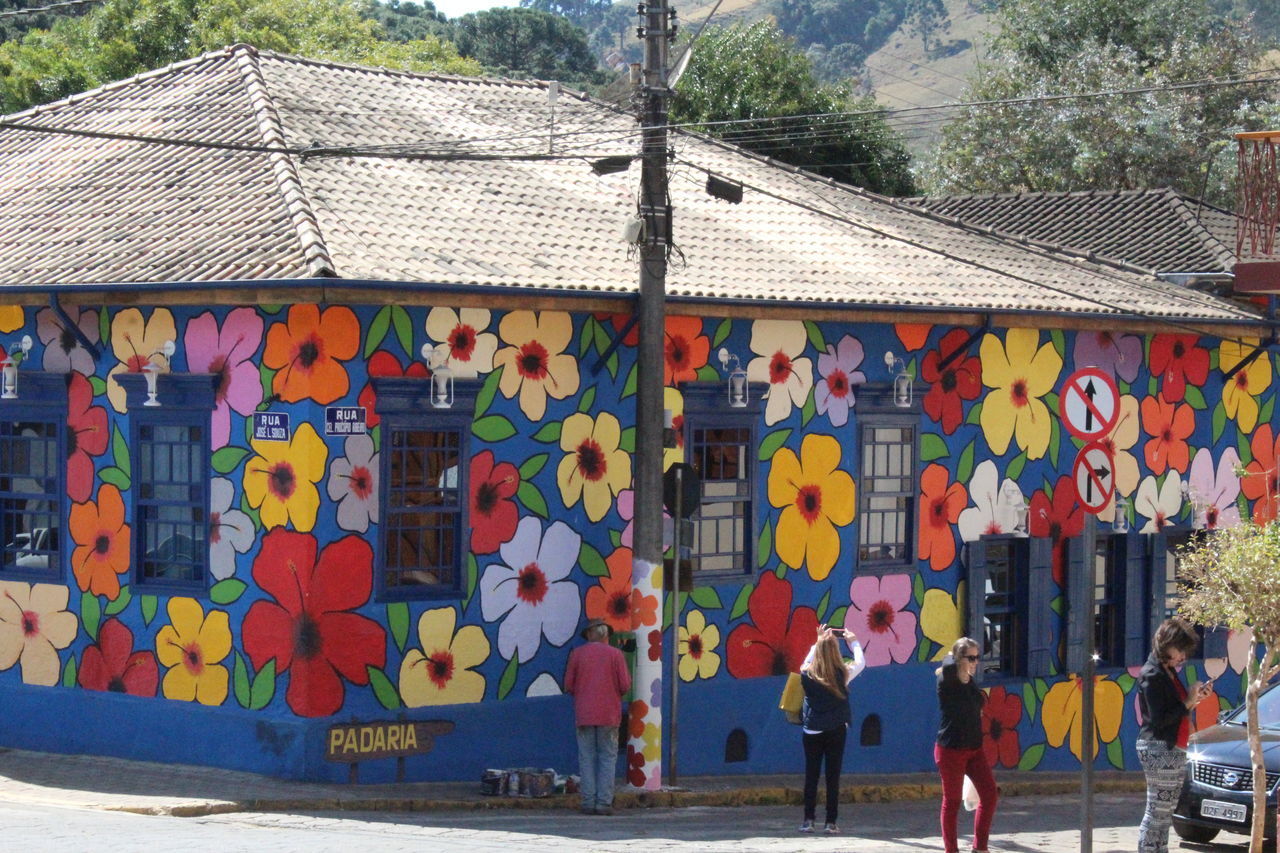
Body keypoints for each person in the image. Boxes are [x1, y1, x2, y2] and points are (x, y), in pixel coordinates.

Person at [1136, 617, 1211, 853]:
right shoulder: (1152, 674)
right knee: (1157, 810)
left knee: (1166, 811)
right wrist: (1189, 700)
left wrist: (1194, 698)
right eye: (1180, 650)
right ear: (1166, 644)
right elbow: (1159, 720)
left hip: (1174, 747)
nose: (1183, 657)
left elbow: (1177, 709)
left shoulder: (1167, 671)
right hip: (1160, 748)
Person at [797, 622, 865, 835]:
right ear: (835, 651)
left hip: (813, 729)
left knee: (812, 775)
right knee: (832, 776)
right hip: (836, 728)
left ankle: (808, 820)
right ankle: (831, 822)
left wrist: (817, 642)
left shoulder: (807, 674)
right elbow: (861, 662)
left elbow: (805, 662)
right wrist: (853, 641)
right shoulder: (842, 674)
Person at [935, 636, 998, 853]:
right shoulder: (947, 681)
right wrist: (955, 657)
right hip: (950, 749)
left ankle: (980, 847)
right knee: (952, 802)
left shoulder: (970, 681)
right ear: (959, 659)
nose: (975, 662)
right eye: (971, 658)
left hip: (974, 748)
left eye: (978, 657)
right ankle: (951, 850)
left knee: (989, 794)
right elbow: (946, 660)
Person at [564, 617, 631, 816]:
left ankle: (588, 802)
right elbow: (625, 685)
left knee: (587, 757)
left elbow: (568, 685)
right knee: (607, 758)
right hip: (609, 715)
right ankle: (603, 803)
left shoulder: (577, 654)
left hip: (584, 714)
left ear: (589, 634)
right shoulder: (616, 655)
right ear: (605, 634)